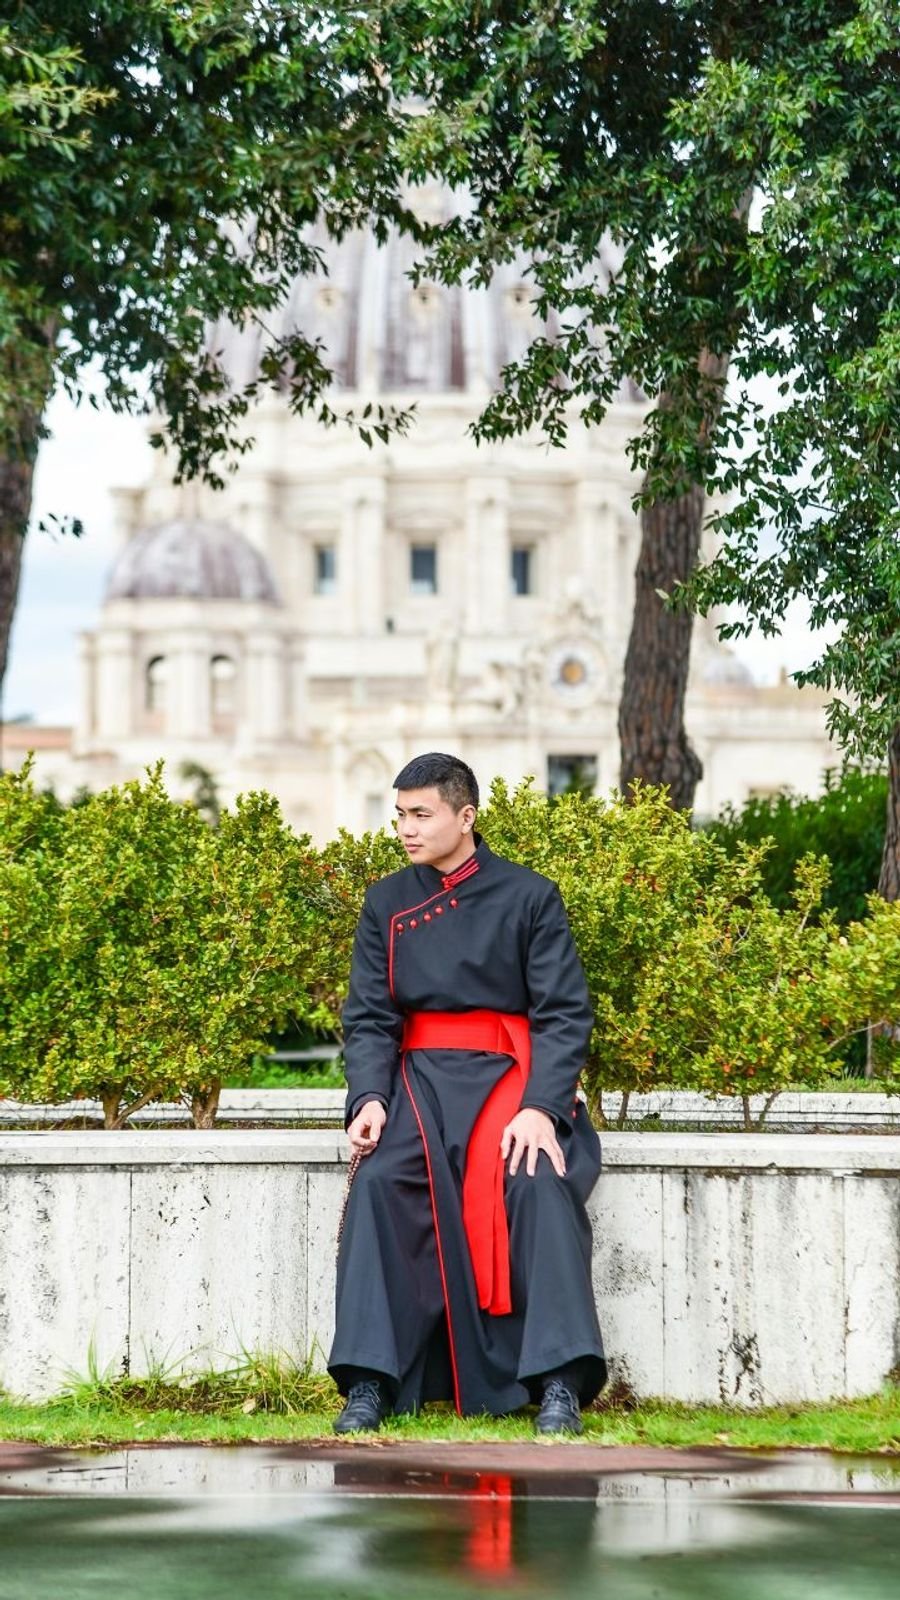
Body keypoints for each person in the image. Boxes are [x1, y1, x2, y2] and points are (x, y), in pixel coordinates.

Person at [328, 751, 606, 1435]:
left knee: (537, 1180)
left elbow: (563, 1013)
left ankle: (558, 1382)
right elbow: (370, 1017)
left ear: (466, 816)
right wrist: (369, 1099)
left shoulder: (530, 895)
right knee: (380, 1183)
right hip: (417, 1086)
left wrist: (541, 1108)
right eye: (400, 815)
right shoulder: (386, 901)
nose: (406, 829)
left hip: (512, 1081)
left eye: (421, 814)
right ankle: (370, 1382)